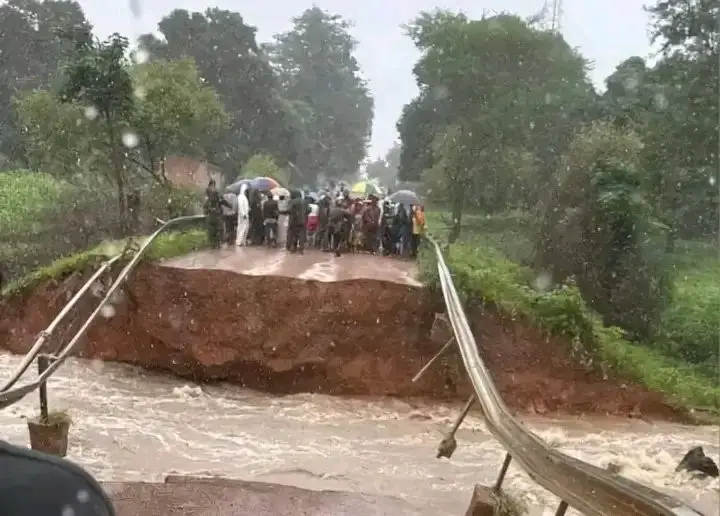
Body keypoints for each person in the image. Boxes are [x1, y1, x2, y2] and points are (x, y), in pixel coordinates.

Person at [203, 179, 227, 248]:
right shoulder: (209, 197)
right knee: (215, 230)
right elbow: (205, 207)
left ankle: (216, 243)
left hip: (215, 214)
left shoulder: (215, 195)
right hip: (214, 215)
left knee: (217, 229)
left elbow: (222, 201)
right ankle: (215, 243)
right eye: (213, 185)